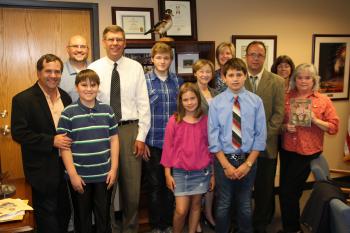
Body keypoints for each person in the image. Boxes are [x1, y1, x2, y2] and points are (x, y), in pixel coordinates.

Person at [88, 25, 151, 233]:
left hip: (129, 131)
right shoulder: (94, 68)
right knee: (106, 188)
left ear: (124, 43)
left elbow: (144, 104)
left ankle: (130, 229)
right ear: (104, 42)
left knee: (132, 192)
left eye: (119, 39)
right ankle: (109, 229)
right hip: (103, 131)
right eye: (111, 39)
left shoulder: (135, 67)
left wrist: (141, 136)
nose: (115, 43)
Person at [11, 54, 72, 233]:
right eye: (48, 71)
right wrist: (51, 141)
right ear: (39, 73)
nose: (53, 75)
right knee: (47, 217)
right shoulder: (22, 99)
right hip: (41, 170)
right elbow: (19, 133)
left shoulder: (66, 98)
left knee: (64, 212)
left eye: (57, 71)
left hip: (66, 167)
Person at [279, 63, 339, 233]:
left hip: (308, 152)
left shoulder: (323, 100)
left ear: (314, 80)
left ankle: (292, 229)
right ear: (294, 79)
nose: (303, 81)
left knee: (287, 193)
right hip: (288, 149)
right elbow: (278, 121)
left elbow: (334, 127)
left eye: (307, 77)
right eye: (299, 77)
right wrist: (285, 126)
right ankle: (291, 225)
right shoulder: (286, 96)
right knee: (293, 192)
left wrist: (315, 120)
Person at [208, 58, 267, 233]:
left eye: (239, 74)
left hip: (247, 158)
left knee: (245, 204)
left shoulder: (256, 102)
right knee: (224, 203)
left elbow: (260, 135)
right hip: (223, 159)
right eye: (231, 75)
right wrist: (226, 165)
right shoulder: (216, 103)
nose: (235, 79)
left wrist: (248, 164)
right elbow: (213, 137)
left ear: (245, 76)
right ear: (224, 77)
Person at [57, 69, 119, 233]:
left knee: (103, 218)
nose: (89, 89)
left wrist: (113, 169)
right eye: (84, 85)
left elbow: (114, 140)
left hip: (104, 175)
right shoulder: (68, 113)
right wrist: (73, 175)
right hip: (80, 177)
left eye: (93, 85)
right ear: (77, 87)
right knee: (82, 218)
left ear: (98, 87)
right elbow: (65, 147)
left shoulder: (107, 110)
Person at [161, 83, 214, 233]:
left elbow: (211, 149)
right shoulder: (174, 120)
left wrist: (213, 174)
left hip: (201, 172)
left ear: (198, 98)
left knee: (197, 206)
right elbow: (168, 148)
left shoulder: (205, 120)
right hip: (180, 172)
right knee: (181, 210)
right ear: (180, 101)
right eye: (185, 100)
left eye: (193, 98)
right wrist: (167, 173)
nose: (190, 102)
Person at [244, 41, 285, 233]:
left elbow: (278, 114)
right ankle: (241, 223)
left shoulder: (277, 81)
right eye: (252, 54)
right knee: (241, 189)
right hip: (240, 146)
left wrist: (260, 139)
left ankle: (260, 224)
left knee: (264, 189)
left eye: (259, 55)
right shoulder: (237, 77)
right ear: (246, 56)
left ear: (264, 57)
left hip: (266, 146)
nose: (255, 58)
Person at [143, 42, 182, 233]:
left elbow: (183, 111)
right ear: (152, 59)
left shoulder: (177, 82)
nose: (162, 61)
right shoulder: (145, 81)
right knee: (155, 186)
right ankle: (156, 225)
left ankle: (168, 223)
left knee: (171, 186)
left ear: (171, 60)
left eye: (166, 58)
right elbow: (140, 112)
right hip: (154, 142)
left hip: (174, 144)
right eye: (158, 57)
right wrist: (142, 140)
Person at [193, 59, 218, 232]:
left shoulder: (216, 93)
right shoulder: (189, 91)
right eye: (201, 71)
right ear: (195, 73)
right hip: (195, 141)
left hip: (213, 142)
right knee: (197, 181)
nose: (204, 75)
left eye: (208, 71)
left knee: (210, 180)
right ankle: (196, 217)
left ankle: (208, 214)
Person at [60, 35, 89, 102]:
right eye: (75, 46)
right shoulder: (59, 72)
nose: (79, 50)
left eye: (83, 47)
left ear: (88, 49)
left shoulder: (95, 69)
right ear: (67, 49)